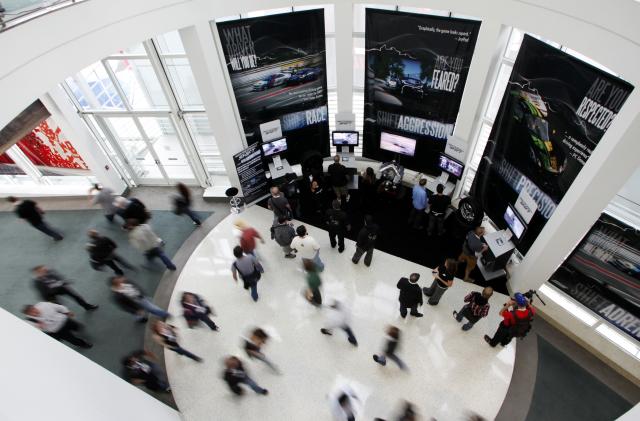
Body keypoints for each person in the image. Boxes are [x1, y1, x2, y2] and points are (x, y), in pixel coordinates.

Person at [23, 302, 92, 348]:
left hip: (65, 320)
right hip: (58, 330)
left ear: (34, 307)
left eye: (34, 309)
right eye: (31, 313)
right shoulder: (29, 322)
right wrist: (39, 327)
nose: (35, 312)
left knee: (78, 327)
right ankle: (84, 344)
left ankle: (81, 333)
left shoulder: (43, 305)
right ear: (28, 314)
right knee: (73, 340)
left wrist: (67, 312)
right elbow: (35, 333)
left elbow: (57, 307)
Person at [32, 266, 98, 311]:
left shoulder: (49, 271)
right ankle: (65, 316)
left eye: (43, 270)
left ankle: (87, 306)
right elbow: (44, 293)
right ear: (37, 273)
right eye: (41, 271)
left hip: (60, 287)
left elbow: (58, 277)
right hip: (50, 294)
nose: (44, 271)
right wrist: (51, 300)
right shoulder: (37, 282)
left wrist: (64, 282)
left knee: (75, 296)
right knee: (59, 306)